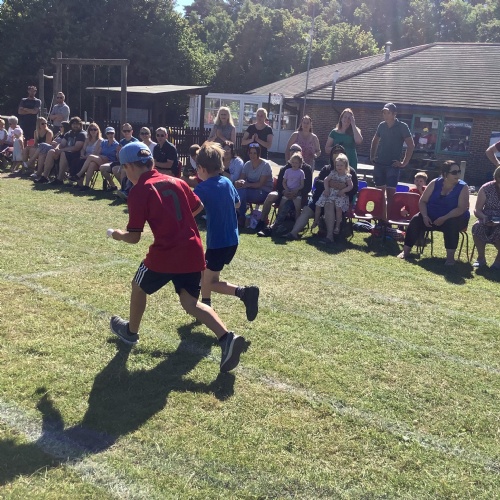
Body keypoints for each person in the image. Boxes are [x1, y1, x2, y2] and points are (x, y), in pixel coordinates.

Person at [107, 142, 246, 373]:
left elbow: (133, 237)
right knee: (190, 303)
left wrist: (116, 234)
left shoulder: (140, 191)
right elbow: (198, 206)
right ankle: (227, 338)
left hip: (166, 252)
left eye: (123, 168)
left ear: (129, 166)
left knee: (138, 286)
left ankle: (130, 332)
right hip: (192, 250)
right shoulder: (177, 182)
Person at [194, 142, 260, 320]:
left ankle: (244, 292)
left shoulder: (202, 188)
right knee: (205, 272)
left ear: (202, 169)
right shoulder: (227, 182)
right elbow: (237, 204)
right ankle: (206, 306)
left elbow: (191, 210)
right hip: (232, 239)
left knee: (209, 281)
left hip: (218, 242)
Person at [397, 160, 470, 266]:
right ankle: (405, 252)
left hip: (454, 217)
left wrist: (444, 218)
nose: (457, 175)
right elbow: (423, 201)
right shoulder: (435, 183)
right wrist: (425, 216)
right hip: (432, 216)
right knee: (416, 220)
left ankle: (450, 258)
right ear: (445, 174)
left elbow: (461, 208)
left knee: (451, 224)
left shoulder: (463, 187)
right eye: (454, 172)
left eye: (459, 172)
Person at [284, 145, 358, 243]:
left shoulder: (350, 172)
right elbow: (317, 183)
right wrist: (329, 184)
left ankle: (329, 236)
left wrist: (343, 187)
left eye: (340, 152)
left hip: (338, 203)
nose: (337, 155)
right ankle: (293, 233)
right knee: (307, 210)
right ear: (331, 155)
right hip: (321, 198)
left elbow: (354, 189)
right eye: (335, 153)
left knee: (328, 205)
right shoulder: (326, 169)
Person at [370, 103, 415, 220]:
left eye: (388, 113)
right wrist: (372, 156)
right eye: (384, 113)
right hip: (380, 164)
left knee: (390, 196)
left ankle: (388, 221)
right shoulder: (381, 125)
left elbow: (411, 145)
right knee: (379, 195)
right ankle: (380, 219)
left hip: (393, 165)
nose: (385, 115)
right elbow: (375, 140)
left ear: (394, 114)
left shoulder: (402, 126)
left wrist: (404, 163)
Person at [256, 144, 313, 235]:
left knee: (288, 203)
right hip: (284, 192)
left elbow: (307, 187)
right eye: (291, 150)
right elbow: (279, 185)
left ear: (301, 153)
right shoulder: (285, 169)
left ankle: (277, 226)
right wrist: (284, 191)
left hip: (299, 194)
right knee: (271, 196)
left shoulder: (306, 169)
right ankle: (262, 222)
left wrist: (296, 192)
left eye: (296, 150)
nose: (293, 152)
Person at [313, 153, 353, 235]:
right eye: (337, 165)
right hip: (330, 192)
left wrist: (343, 190)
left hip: (339, 194)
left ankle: (337, 226)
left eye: (341, 165)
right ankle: (316, 221)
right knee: (318, 204)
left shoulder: (347, 176)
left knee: (338, 209)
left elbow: (350, 186)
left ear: (345, 166)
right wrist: (326, 189)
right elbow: (326, 180)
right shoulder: (333, 173)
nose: (339, 167)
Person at [235, 143, 274, 224]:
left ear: (258, 153)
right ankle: (237, 214)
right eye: (250, 153)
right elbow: (241, 178)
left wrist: (247, 185)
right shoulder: (247, 164)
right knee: (238, 190)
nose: (252, 155)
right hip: (249, 189)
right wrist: (238, 182)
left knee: (243, 192)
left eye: (255, 153)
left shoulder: (265, 165)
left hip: (263, 191)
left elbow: (260, 184)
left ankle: (240, 216)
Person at [471, 166, 500, 268]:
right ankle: (481, 258)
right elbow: (477, 210)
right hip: (487, 218)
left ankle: (498, 261)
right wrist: (484, 218)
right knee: (477, 227)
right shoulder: (486, 188)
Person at [47, 116, 87, 186]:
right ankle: (45, 176)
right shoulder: (68, 133)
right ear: (71, 125)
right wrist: (57, 148)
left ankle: (59, 179)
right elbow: (62, 144)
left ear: (80, 125)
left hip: (77, 154)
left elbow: (76, 148)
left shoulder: (82, 134)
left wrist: (61, 150)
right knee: (51, 151)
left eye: (77, 124)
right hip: (68, 153)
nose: (75, 126)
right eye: (73, 124)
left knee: (63, 153)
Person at [69, 123, 103, 190]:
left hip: (94, 159)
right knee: (75, 160)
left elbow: (96, 153)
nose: (93, 131)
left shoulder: (100, 141)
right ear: (89, 131)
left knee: (81, 162)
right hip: (85, 157)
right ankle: (78, 182)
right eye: (91, 129)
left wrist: (85, 157)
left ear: (98, 130)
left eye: (95, 129)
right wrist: (82, 154)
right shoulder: (87, 139)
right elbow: (83, 149)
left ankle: (78, 177)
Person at [281, 152, 305, 220]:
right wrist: (286, 189)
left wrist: (296, 190)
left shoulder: (301, 172)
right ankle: (278, 220)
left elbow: (302, 185)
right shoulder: (287, 171)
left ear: (300, 163)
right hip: (288, 191)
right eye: (293, 162)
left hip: (296, 193)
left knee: (298, 208)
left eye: (296, 163)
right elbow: (284, 182)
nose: (294, 164)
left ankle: (297, 221)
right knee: (281, 206)